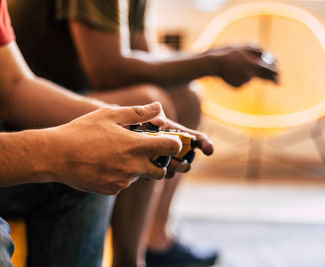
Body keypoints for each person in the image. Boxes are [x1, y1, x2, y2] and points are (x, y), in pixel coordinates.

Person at [8, 1, 279, 266]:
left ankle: (154, 240)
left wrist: (215, 57)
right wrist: (213, 63)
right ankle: (129, 258)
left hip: (42, 95)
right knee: (144, 103)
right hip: (35, 110)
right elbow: (107, 69)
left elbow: (143, 53)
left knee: (181, 101)